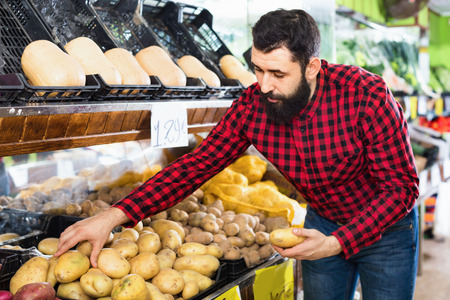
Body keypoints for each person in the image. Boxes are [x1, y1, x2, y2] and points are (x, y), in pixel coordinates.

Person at [56, 8, 419, 300]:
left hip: (386, 232)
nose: (264, 85)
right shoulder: (253, 105)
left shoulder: (366, 96)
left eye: (277, 72)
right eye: (257, 69)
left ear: (312, 66)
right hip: (322, 221)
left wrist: (337, 242)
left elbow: (401, 188)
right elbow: (195, 168)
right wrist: (114, 216)